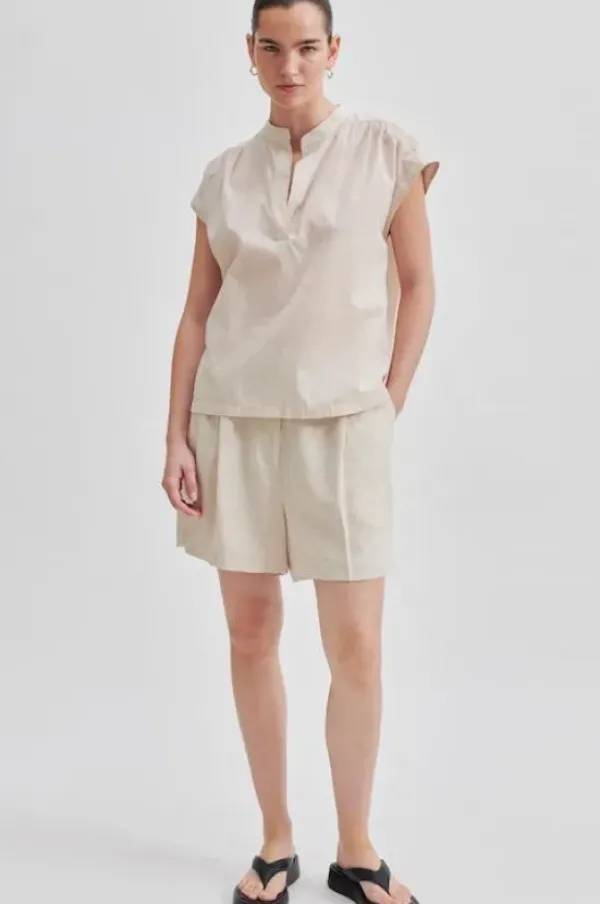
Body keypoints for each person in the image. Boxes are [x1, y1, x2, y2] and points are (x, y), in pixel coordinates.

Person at [162, 1, 439, 902]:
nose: (290, 66)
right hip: (234, 423)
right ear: (250, 53)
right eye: (273, 48)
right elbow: (197, 314)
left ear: (334, 50)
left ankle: (356, 848)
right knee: (251, 635)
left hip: (343, 425)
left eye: (307, 47)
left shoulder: (387, 153)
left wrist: (388, 399)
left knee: (356, 645)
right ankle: (275, 840)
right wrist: (176, 435)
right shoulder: (223, 177)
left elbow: (418, 283)